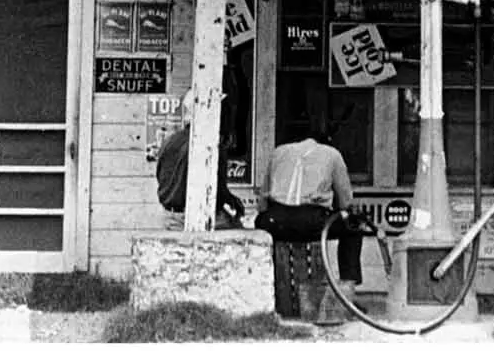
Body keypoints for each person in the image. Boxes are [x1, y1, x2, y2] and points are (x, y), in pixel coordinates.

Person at [254, 125, 364, 300]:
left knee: (262, 223)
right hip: (312, 221)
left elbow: (262, 202)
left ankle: (267, 289)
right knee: (354, 228)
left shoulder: (278, 152)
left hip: (275, 221)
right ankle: (348, 291)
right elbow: (346, 202)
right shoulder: (332, 154)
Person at [155, 91, 245, 229]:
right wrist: (230, 200)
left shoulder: (170, 141)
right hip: (196, 216)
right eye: (224, 113)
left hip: (169, 216)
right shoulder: (211, 145)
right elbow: (215, 192)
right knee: (242, 235)